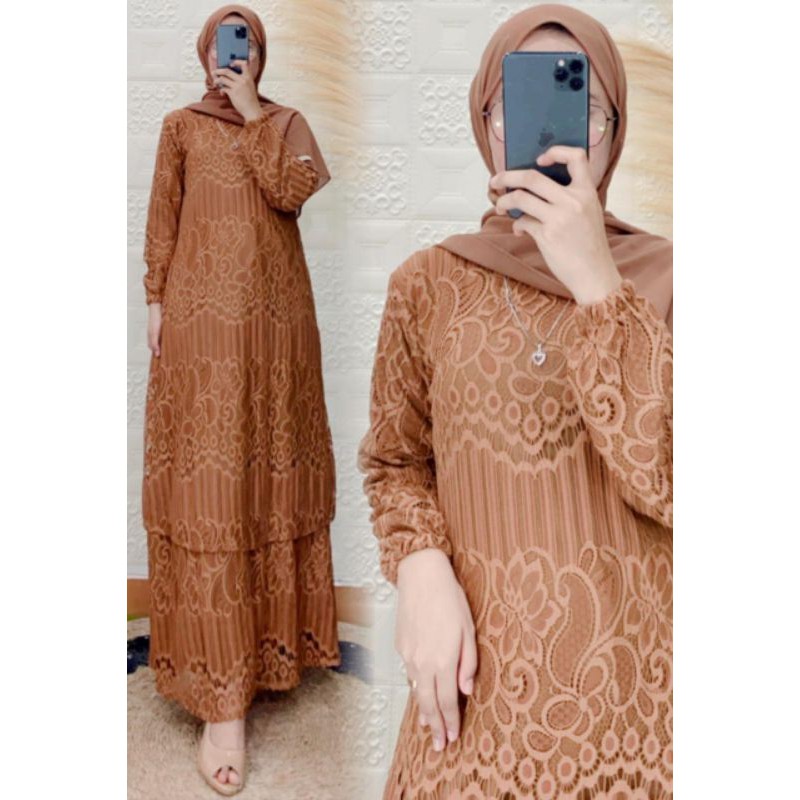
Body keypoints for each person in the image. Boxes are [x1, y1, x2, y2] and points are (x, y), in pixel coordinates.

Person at [357, 4, 673, 798]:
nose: (553, 135)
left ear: (614, 134)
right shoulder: (427, 284)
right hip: (473, 696)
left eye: (582, 106)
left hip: (636, 705)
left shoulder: (673, 278)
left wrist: (599, 283)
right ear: (487, 127)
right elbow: (395, 461)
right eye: (520, 104)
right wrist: (419, 568)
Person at [141, 4, 340, 794]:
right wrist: (154, 299)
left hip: (275, 341)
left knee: (264, 485)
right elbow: (162, 215)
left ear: (260, 56)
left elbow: (294, 190)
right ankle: (221, 701)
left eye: (247, 43)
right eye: (226, 44)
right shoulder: (179, 128)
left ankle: (267, 656)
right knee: (212, 494)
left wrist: (255, 111)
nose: (234, 55)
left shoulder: (286, 124)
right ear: (205, 55)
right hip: (200, 338)